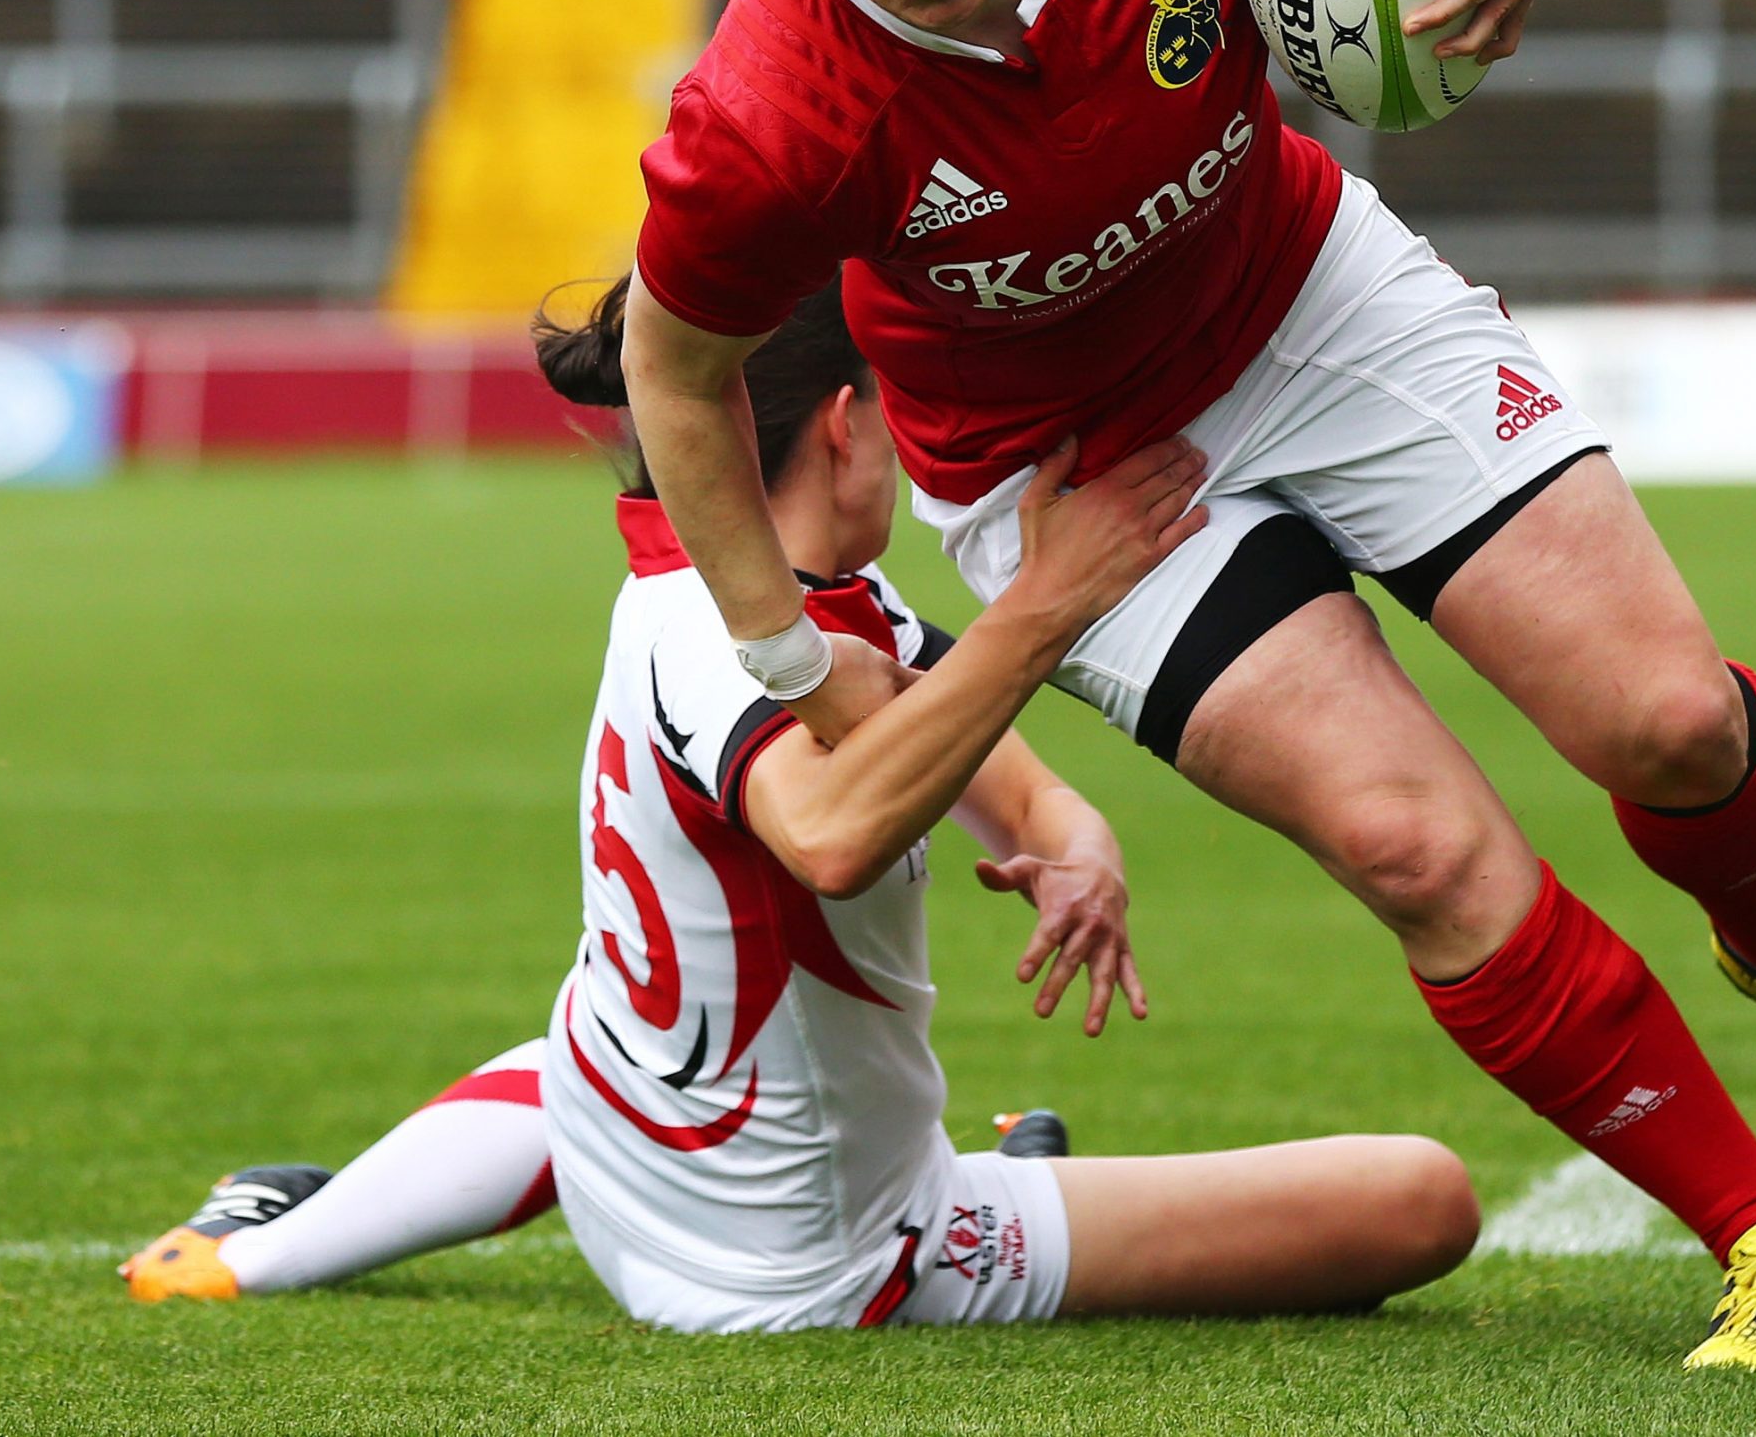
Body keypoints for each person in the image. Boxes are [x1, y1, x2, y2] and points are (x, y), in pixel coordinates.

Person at [603, 0, 1756, 1369]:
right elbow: (676, 370)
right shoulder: (768, 109)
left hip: (1311, 305)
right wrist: (778, 650)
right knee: (1415, 848)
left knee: (1672, 726)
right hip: (1068, 478)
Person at [121, 278, 1479, 1330]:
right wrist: (1054, 599)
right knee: (1420, 1199)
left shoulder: (781, 600)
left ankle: (252, 1251)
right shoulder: (711, 627)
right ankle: (254, 1254)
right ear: (844, 423)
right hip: (813, 1264)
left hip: (622, 1154)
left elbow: (985, 766)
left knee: (595, 1043)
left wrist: (1075, 843)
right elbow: (832, 835)